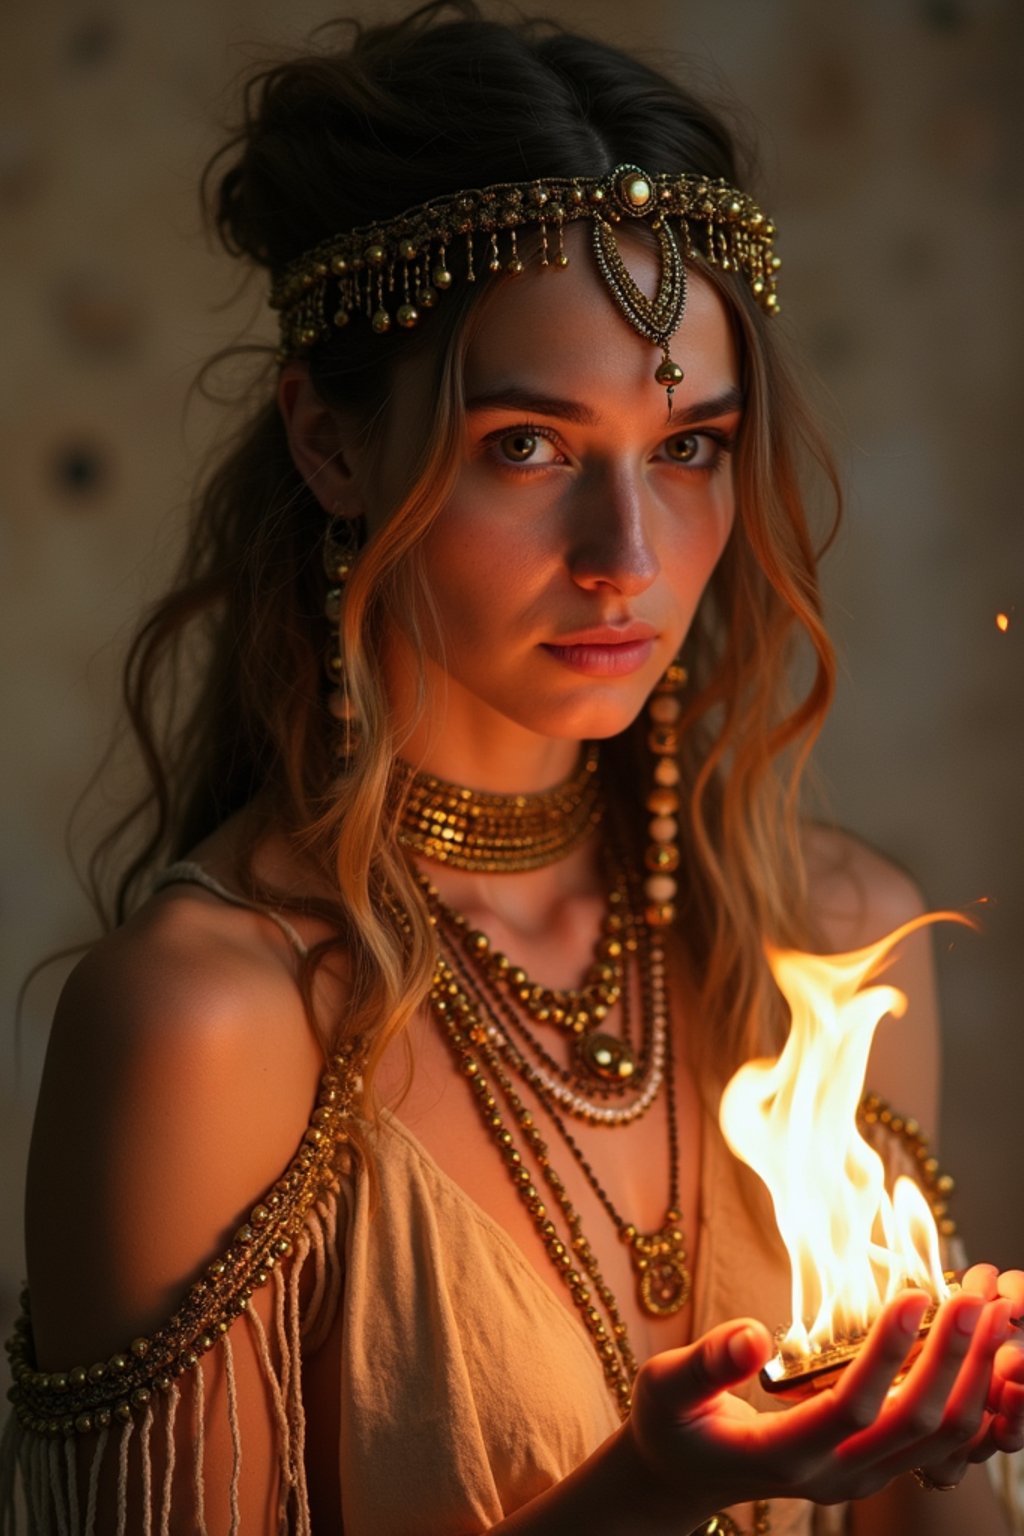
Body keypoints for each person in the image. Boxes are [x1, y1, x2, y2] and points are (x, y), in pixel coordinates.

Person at [2, 4, 1022, 1533]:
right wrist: (647, 1494)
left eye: (687, 449)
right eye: (528, 447)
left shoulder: (825, 934)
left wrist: (966, 1453)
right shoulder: (210, 1025)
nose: (628, 559)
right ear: (333, 446)